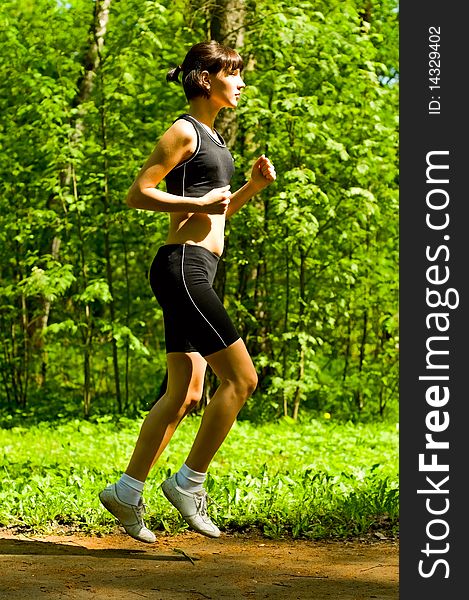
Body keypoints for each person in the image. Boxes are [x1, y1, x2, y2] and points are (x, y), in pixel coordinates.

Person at [99, 40, 276, 543]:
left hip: (196, 266)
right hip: (183, 269)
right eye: (233, 74)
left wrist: (249, 190)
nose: (240, 82)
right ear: (206, 78)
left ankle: (128, 492)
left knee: (187, 391)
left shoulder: (216, 141)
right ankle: (188, 483)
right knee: (242, 380)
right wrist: (196, 198)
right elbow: (138, 192)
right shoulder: (184, 131)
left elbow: (214, 213)